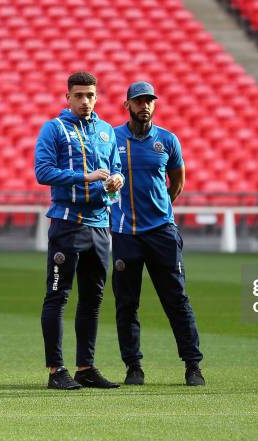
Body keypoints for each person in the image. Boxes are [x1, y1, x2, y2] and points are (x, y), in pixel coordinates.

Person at [110, 81, 204, 386]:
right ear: (127, 106)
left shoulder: (167, 140)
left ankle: (193, 365)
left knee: (176, 299)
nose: (144, 105)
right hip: (125, 233)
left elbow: (177, 181)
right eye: (138, 101)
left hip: (162, 232)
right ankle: (133, 366)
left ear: (155, 104)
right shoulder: (111, 138)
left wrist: (160, 209)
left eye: (149, 100)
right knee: (127, 303)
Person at [35, 71, 124, 390]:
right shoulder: (54, 129)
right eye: (79, 96)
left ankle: (85, 367)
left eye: (90, 95)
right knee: (58, 296)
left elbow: (115, 169)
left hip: (100, 226)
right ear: (67, 98)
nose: (85, 101)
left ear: (97, 97)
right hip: (68, 224)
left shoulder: (106, 131)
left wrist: (117, 180)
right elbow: (42, 172)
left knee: (93, 299)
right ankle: (56, 370)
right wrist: (84, 177)